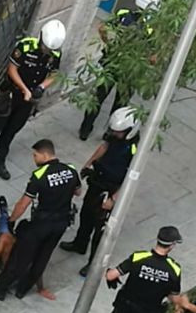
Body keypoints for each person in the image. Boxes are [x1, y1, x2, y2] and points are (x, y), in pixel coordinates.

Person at [0, 139, 81, 301]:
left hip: (41, 224)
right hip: (62, 223)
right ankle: (23, 289)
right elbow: (78, 192)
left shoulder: (39, 176)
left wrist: (11, 220)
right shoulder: (70, 170)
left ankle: (0, 288)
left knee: (20, 256)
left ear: (45, 154)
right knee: (43, 256)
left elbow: (23, 203)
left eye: (35, 155)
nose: (34, 159)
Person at [0, 20, 65, 181]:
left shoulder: (55, 54)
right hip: (11, 95)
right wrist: (24, 89)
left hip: (28, 101)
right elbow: (12, 69)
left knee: (10, 132)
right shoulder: (25, 47)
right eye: (45, 47)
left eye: (50, 50)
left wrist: (41, 87)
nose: (46, 51)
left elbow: (54, 74)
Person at [60, 107, 140, 275]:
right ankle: (79, 244)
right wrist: (89, 163)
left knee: (100, 229)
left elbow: (131, 178)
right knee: (86, 214)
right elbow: (104, 146)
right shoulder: (115, 136)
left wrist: (114, 199)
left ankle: (93, 264)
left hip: (111, 189)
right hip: (98, 181)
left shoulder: (134, 150)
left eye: (118, 132)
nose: (114, 134)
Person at [78, 0, 161, 140]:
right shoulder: (151, 30)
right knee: (120, 105)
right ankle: (110, 133)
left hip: (112, 63)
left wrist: (109, 45)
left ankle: (85, 129)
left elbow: (102, 28)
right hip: (131, 72)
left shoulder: (124, 15)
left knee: (98, 98)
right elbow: (153, 59)